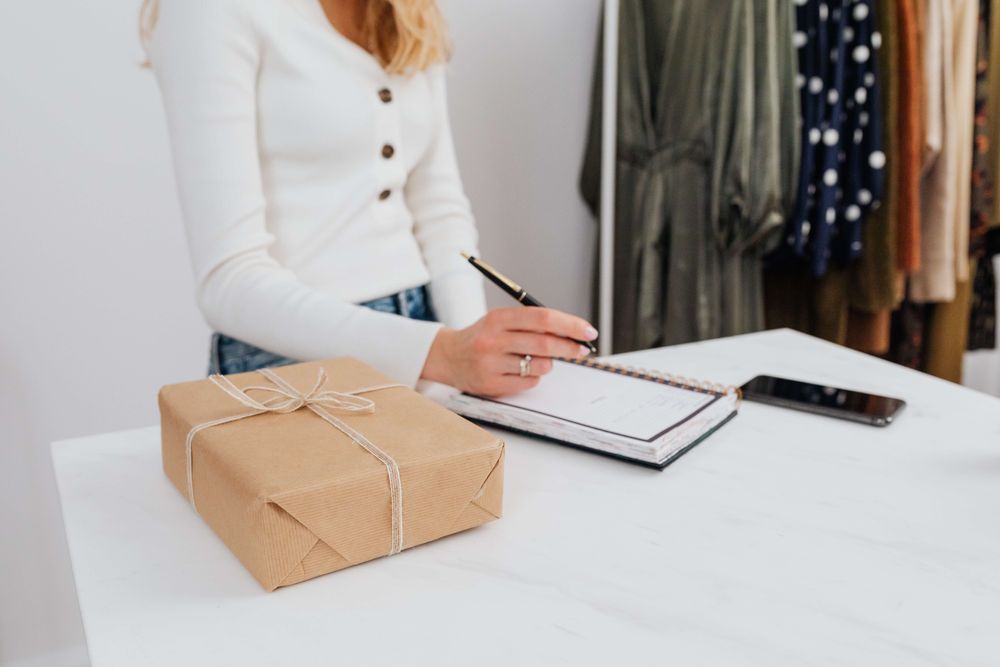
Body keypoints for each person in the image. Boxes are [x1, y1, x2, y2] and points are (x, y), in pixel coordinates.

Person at [144, 0, 598, 396]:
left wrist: (470, 352)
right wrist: (443, 354)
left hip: (427, 335)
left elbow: (438, 207)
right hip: (286, 365)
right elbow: (228, 280)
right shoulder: (211, 8)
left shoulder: (408, 10)